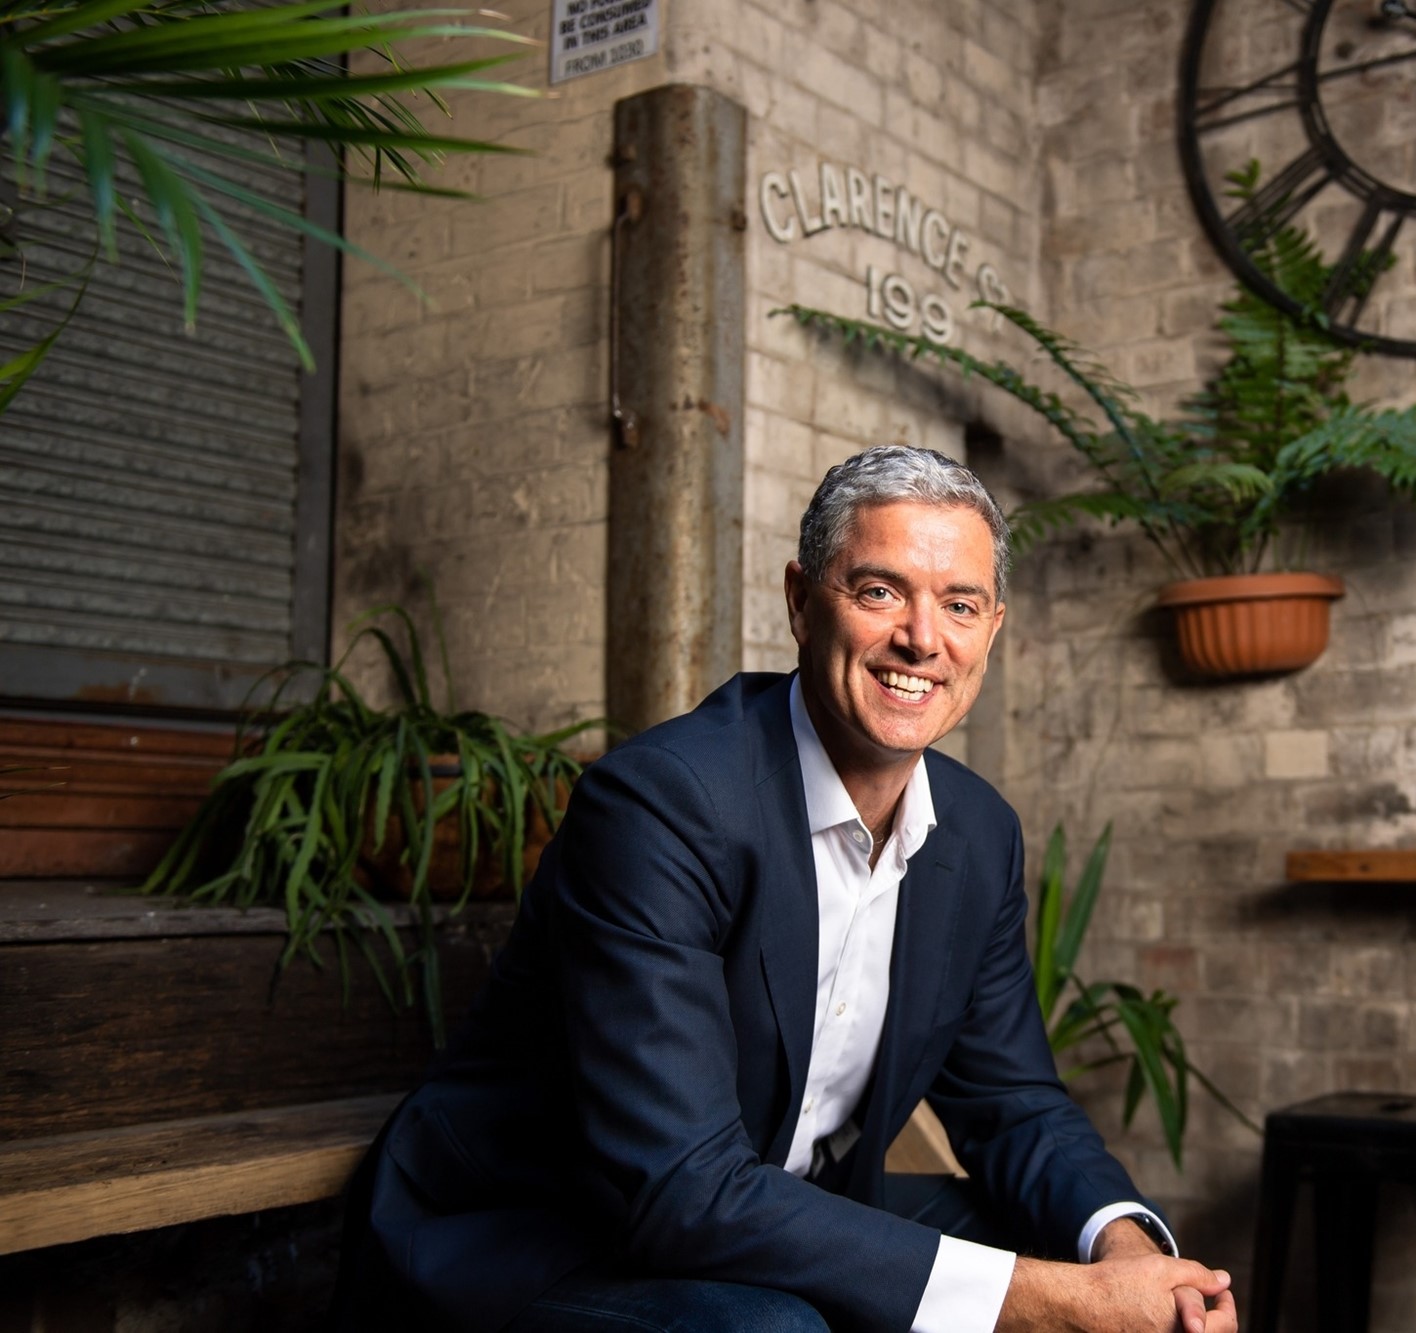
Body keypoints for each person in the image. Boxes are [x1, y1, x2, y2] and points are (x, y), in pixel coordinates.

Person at [334, 446, 1238, 1333]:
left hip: (757, 1205)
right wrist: (1055, 1306)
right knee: (782, 1327)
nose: (923, 638)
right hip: (533, 1231)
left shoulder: (979, 834)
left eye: (958, 604)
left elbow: (1015, 1104)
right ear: (802, 604)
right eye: (880, 591)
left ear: (991, 632)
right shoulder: (665, 804)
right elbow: (679, 1184)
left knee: (1063, 1258)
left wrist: (1125, 1255)